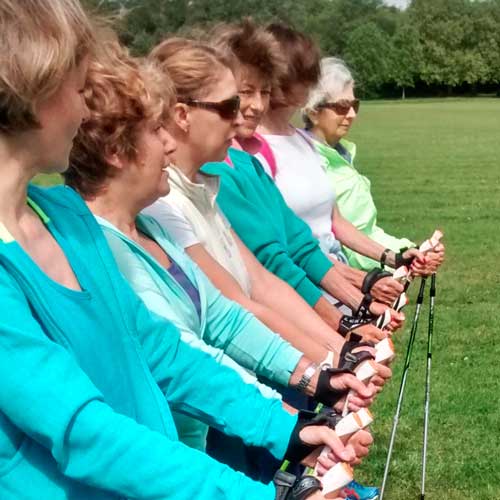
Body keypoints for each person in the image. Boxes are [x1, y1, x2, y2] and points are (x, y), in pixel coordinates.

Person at [0, 2, 367, 498]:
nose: (86, 110)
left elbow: (158, 349)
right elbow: (81, 430)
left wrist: (285, 430)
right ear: (34, 85)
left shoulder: (66, 218)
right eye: (79, 89)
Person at [63, 39, 376, 455]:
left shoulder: (150, 224)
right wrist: (289, 419)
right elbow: (179, 359)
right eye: (157, 131)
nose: (169, 144)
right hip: (176, 458)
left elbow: (224, 318)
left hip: (198, 444)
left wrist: (318, 376)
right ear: (119, 151)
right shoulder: (104, 247)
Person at [199, 20, 401, 340]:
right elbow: (272, 266)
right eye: (245, 92)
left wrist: (359, 303)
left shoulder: (247, 163)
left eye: (264, 92)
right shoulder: (218, 172)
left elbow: (299, 245)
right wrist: (340, 333)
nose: (257, 105)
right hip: (275, 333)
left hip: (297, 320)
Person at [256, 24, 436, 283]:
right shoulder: (252, 151)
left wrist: (394, 257)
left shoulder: (303, 144)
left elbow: (336, 224)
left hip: (335, 284)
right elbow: (287, 252)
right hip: (306, 289)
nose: (310, 82)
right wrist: (361, 285)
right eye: (303, 74)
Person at [302, 57, 446, 271]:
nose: (352, 115)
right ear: (313, 111)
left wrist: (410, 250)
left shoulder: (341, 154)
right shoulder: (310, 163)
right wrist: (401, 259)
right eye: (342, 107)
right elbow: (343, 243)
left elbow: (366, 230)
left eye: (354, 105)